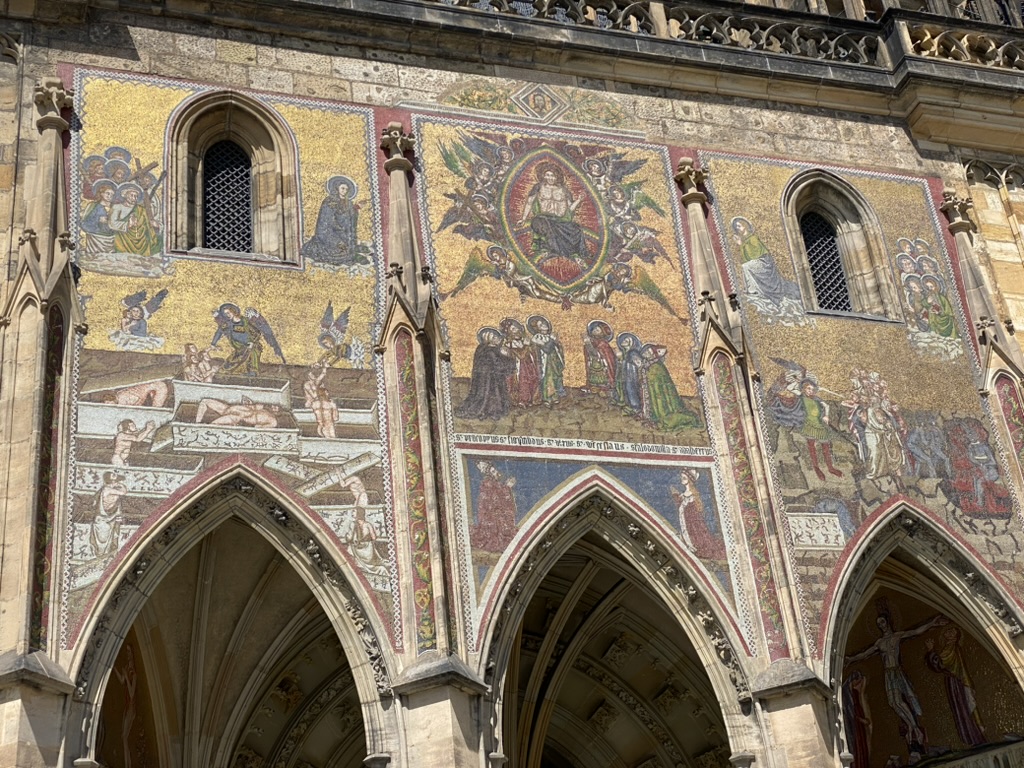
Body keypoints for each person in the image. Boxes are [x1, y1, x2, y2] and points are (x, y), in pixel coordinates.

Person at [846, 608, 949, 760]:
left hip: (896, 672)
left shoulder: (897, 636)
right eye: (878, 624)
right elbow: (865, 653)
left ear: (887, 621)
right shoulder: (879, 642)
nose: (881, 625)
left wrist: (932, 623)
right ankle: (912, 727)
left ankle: (914, 728)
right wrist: (851, 659)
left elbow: (916, 632)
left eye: (882, 621)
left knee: (900, 701)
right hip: (888, 673)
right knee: (893, 702)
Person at [516, 162, 590, 278]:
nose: (550, 178)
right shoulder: (538, 187)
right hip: (542, 219)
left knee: (576, 229)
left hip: (560, 220)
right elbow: (529, 202)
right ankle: (561, 254)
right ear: (543, 176)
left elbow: (570, 209)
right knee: (548, 227)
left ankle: (571, 254)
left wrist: (579, 200)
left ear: (557, 177)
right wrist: (523, 219)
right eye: (547, 175)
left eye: (552, 175)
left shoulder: (564, 190)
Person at [924, 625, 985, 746]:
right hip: (954, 682)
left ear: (955, 636)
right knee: (960, 710)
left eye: (952, 631)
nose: (948, 632)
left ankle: (973, 737)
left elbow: (940, 665)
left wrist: (931, 650)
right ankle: (970, 737)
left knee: (962, 709)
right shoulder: (949, 647)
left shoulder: (951, 647)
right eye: (948, 630)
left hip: (956, 684)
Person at [732, 217, 803, 308]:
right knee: (745, 266)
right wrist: (741, 244)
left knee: (746, 266)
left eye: (739, 226)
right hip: (757, 262)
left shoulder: (753, 238)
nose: (738, 228)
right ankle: (753, 290)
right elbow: (746, 258)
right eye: (736, 227)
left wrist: (741, 245)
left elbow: (755, 254)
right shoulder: (745, 241)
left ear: (745, 226)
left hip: (764, 262)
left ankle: (753, 290)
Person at [457, 327, 517, 420]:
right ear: (490, 339)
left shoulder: (484, 349)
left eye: (499, 337)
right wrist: (508, 357)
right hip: (488, 379)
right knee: (491, 395)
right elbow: (498, 364)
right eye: (497, 338)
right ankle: (491, 411)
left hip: (490, 378)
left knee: (494, 394)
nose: (500, 340)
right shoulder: (489, 351)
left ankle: (492, 411)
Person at [639, 344, 700, 432]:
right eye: (645, 353)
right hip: (652, 392)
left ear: (653, 353)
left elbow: (662, 381)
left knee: (664, 410)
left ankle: (663, 415)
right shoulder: (648, 365)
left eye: (648, 352)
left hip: (661, 394)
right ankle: (656, 414)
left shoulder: (657, 366)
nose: (646, 354)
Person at [302, 175, 361, 265]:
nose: (344, 191)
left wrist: (355, 209)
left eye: (346, 189)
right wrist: (338, 228)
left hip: (342, 232)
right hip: (328, 232)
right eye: (342, 188)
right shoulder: (329, 201)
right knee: (338, 249)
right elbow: (326, 220)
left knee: (349, 250)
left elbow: (349, 219)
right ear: (337, 188)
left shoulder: (349, 203)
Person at [471, 461, 518, 554]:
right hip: (489, 516)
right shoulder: (487, 483)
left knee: (503, 518)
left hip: (495, 512)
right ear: (489, 474)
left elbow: (499, 495)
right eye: (493, 472)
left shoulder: (495, 484)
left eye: (495, 470)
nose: (496, 473)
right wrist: (507, 487)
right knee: (497, 526)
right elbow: (493, 498)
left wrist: (507, 487)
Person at [110, 183, 159, 256]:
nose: (134, 198)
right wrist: (128, 224)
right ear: (125, 195)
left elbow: (147, 225)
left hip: (142, 241)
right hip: (123, 240)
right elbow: (112, 223)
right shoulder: (117, 207)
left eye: (136, 196)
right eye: (131, 195)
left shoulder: (141, 209)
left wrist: (155, 226)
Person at [528, 315, 565, 407]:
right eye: (541, 325)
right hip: (544, 362)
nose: (544, 326)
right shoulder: (536, 338)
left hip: (554, 360)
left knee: (555, 377)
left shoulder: (550, 336)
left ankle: (555, 396)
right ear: (537, 328)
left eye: (544, 324)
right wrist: (552, 340)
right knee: (547, 379)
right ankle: (547, 398)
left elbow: (558, 348)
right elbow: (546, 349)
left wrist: (557, 344)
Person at [91, 471, 128, 557]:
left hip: (111, 518)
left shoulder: (112, 489)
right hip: (102, 519)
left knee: (111, 540)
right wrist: (120, 484)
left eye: (115, 481)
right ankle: (101, 556)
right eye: (114, 481)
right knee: (103, 541)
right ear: (110, 482)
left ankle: (107, 556)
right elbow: (123, 492)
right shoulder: (107, 489)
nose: (115, 482)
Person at [582, 320, 617, 398]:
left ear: (602, 333)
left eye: (597, 330)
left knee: (603, 378)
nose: (594, 331)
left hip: (602, 366)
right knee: (594, 378)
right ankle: (594, 388)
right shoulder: (593, 341)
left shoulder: (603, 345)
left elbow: (594, 353)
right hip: (593, 365)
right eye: (594, 329)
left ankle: (605, 390)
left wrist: (587, 342)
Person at [194, 397, 281, 428]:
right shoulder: (263, 407)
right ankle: (196, 423)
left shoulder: (272, 421)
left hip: (236, 417)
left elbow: (256, 428)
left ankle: (198, 428)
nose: (273, 406)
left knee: (211, 426)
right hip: (228, 409)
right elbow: (250, 406)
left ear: (279, 412)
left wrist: (239, 425)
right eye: (274, 405)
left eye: (276, 407)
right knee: (204, 401)